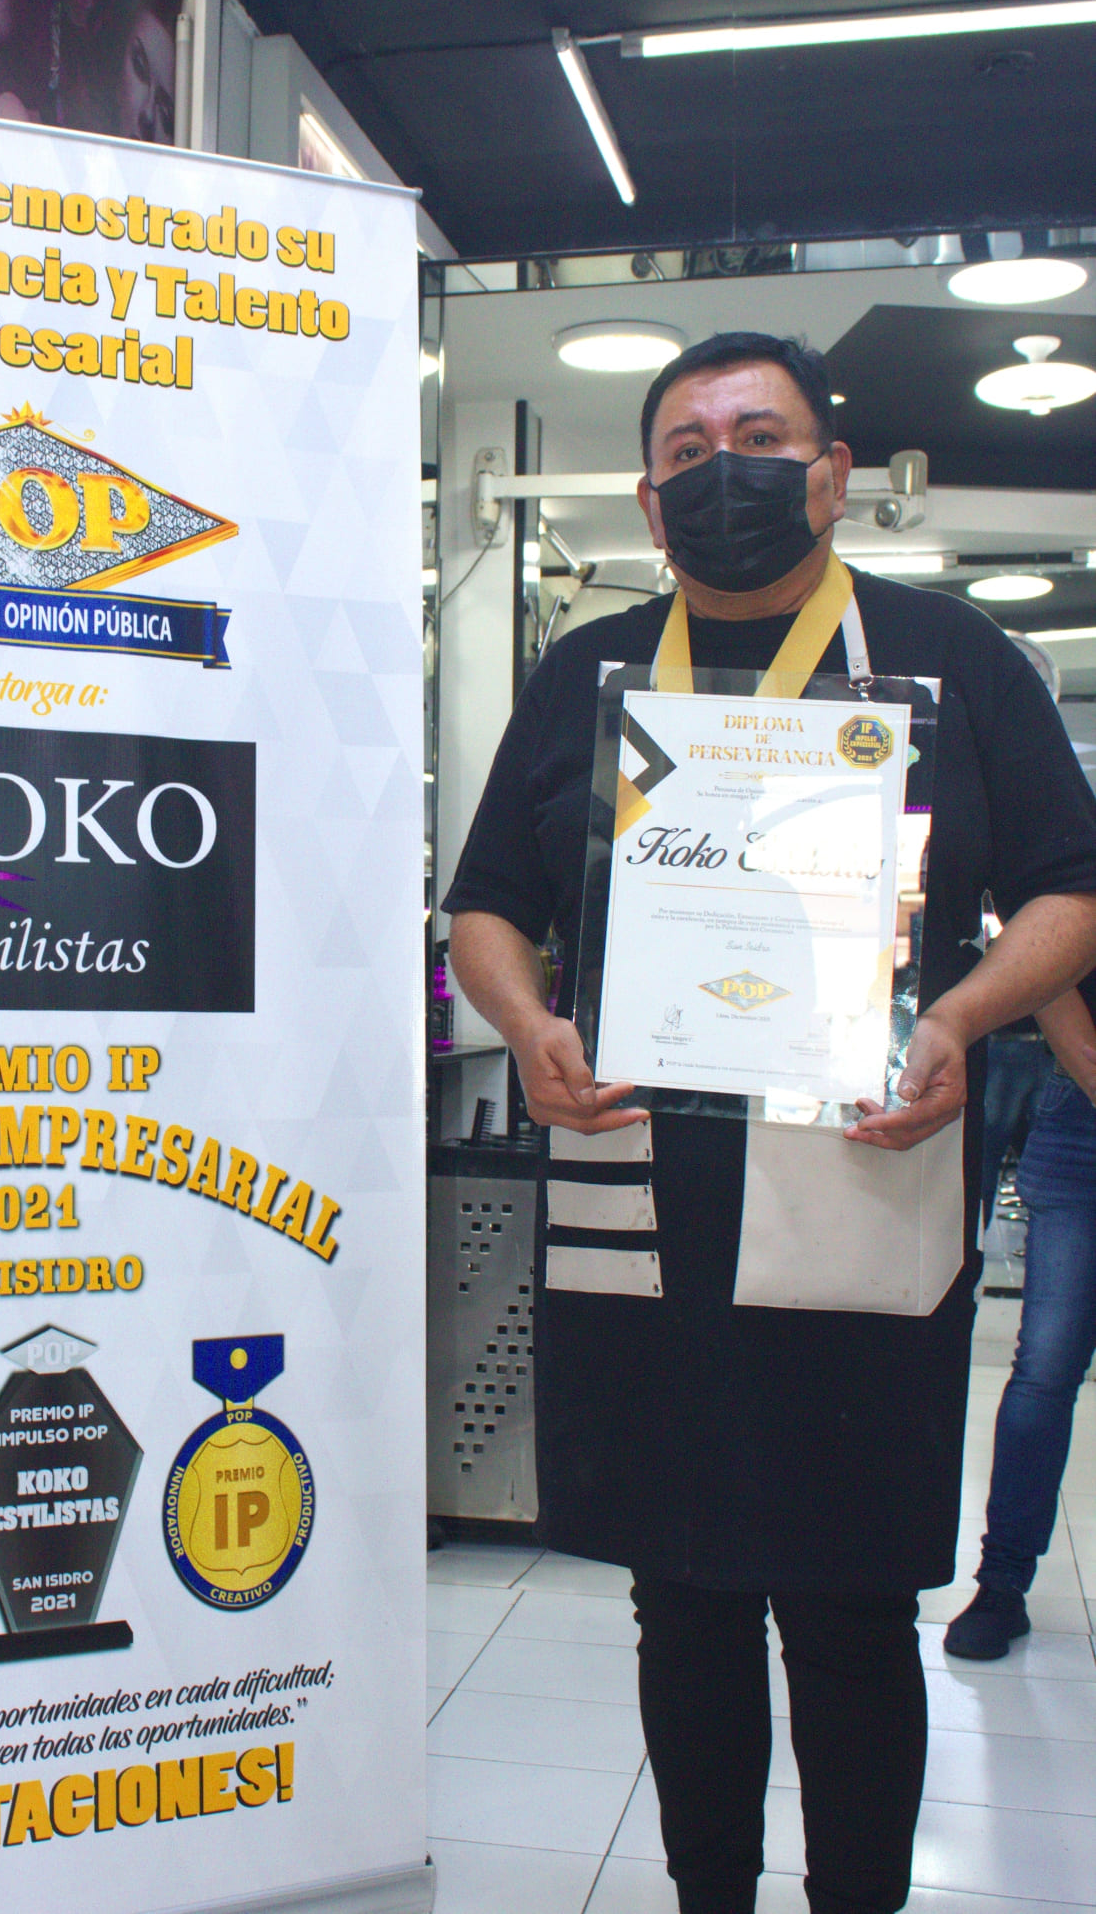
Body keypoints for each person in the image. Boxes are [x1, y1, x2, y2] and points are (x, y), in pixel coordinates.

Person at [444, 331, 1096, 1914]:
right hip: (643, 1181)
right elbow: (488, 903)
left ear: (831, 471)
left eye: (756, 434)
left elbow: (1071, 892)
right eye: (685, 448)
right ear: (650, 498)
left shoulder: (950, 658)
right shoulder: (591, 671)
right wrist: (527, 1024)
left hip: (861, 1177)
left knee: (852, 1603)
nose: (720, 468)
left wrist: (954, 1015)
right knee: (681, 1597)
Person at [946, 982, 1096, 1657]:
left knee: (1044, 1371)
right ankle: (1002, 1582)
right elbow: (1049, 969)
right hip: (1082, 1105)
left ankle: (1002, 1583)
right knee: (1045, 1367)